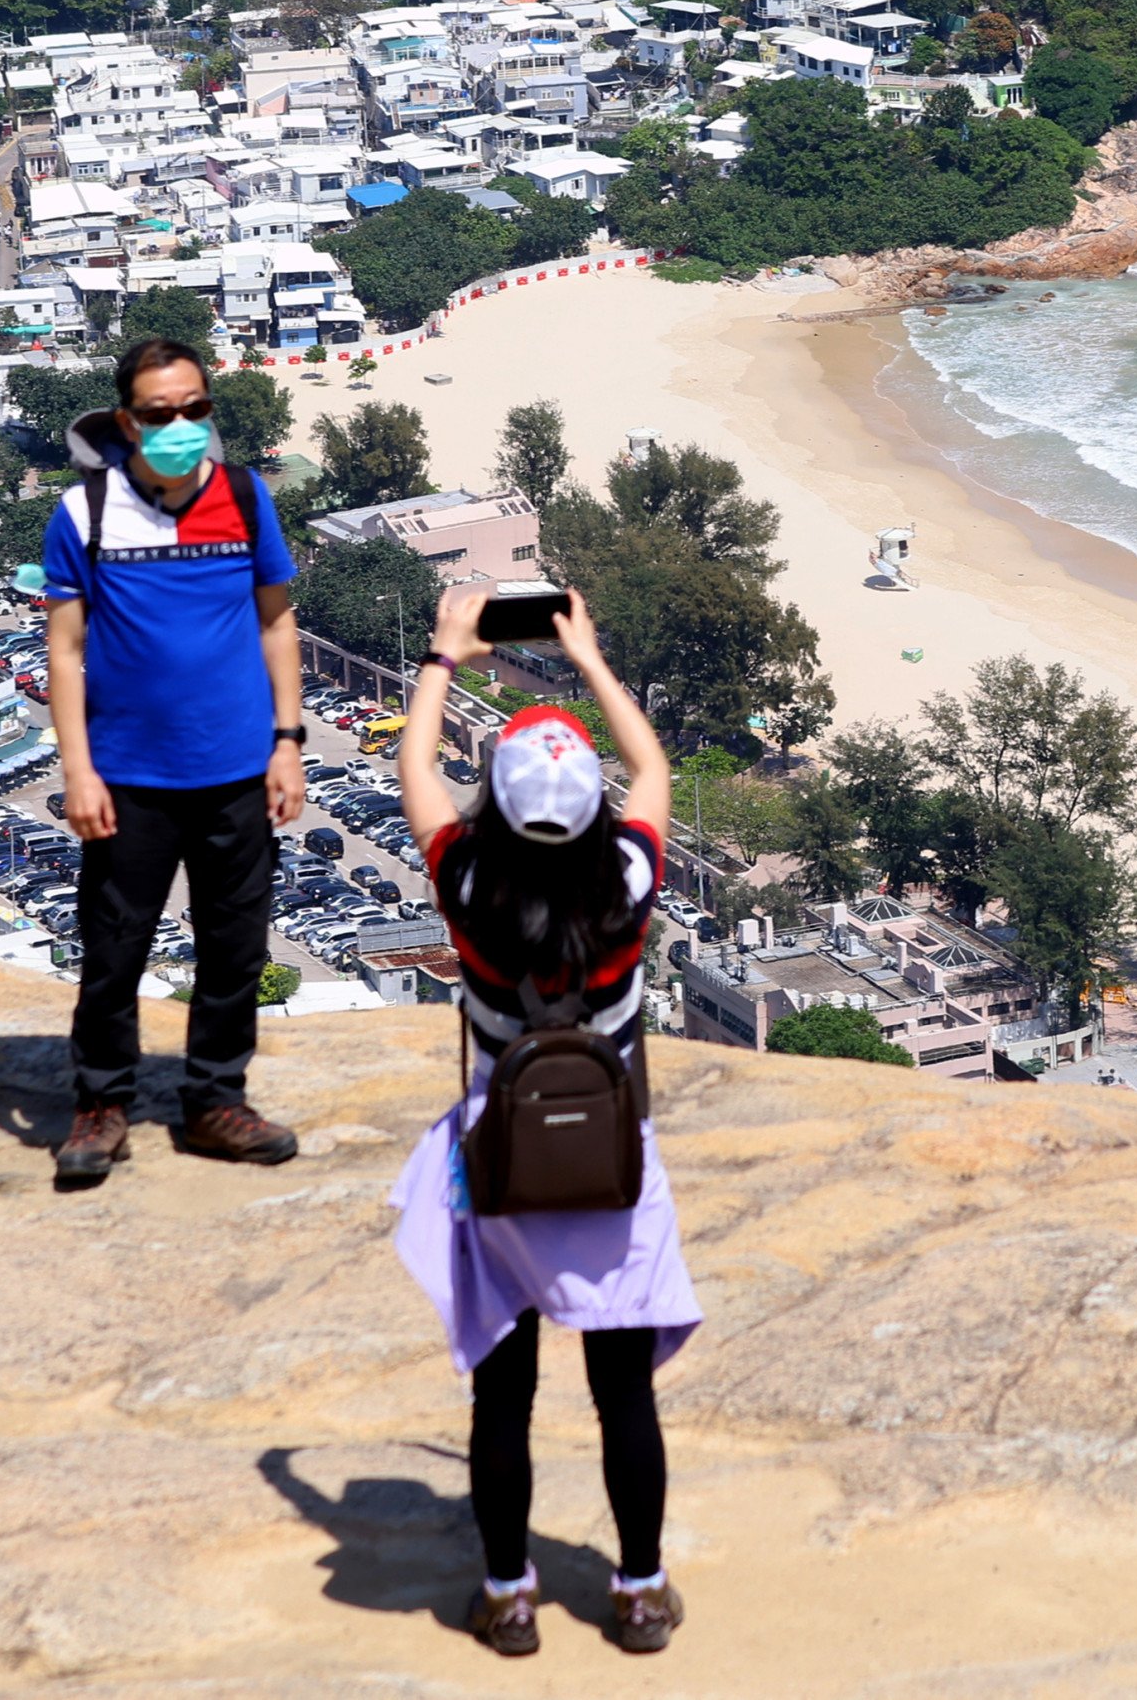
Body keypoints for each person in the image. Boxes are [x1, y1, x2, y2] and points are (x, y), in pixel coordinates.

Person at [391, 580, 700, 1660]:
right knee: (623, 1397)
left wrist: (443, 655)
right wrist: (590, 658)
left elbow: (414, 774)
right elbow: (653, 771)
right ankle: (640, 1590)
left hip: (500, 1157)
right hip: (613, 1157)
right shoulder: (626, 880)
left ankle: (510, 1594)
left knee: (502, 1396)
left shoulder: (468, 881)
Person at [40, 335, 310, 1188]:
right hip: (128, 778)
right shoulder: (84, 512)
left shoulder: (242, 495)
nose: (182, 424)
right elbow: (63, 650)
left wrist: (289, 740)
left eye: (196, 408)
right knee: (114, 949)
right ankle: (102, 1105)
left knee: (234, 948)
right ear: (127, 421)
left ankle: (214, 1101)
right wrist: (78, 771)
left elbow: (276, 623)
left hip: (236, 768)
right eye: (161, 413)